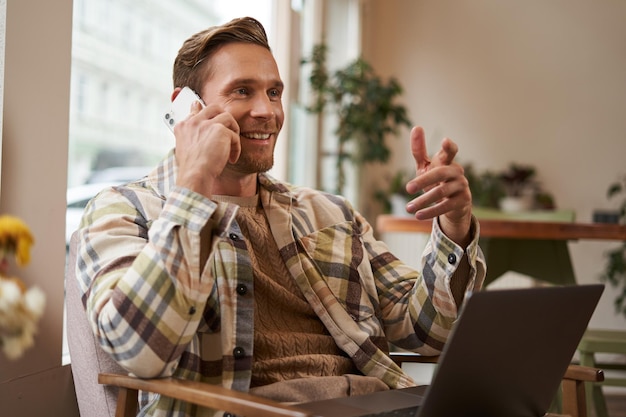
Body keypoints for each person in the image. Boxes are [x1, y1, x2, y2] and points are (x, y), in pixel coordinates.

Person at [74, 16, 485, 417]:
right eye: (242, 91)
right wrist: (195, 179)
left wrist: (454, 225)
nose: (266, 111)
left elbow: (432, 330)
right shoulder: (125, 210)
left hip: (378, 404)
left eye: (274, 92)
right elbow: (139, 351)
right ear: (187, 109)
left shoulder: (330, 213)